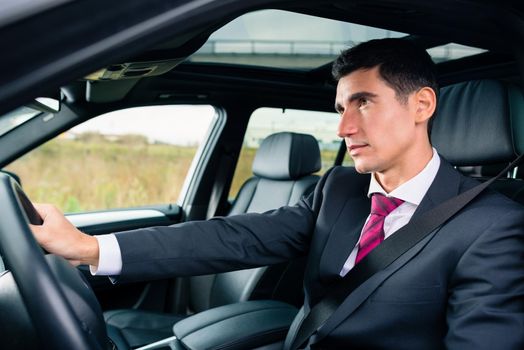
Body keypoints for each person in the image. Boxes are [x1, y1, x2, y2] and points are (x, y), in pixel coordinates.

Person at [31, 38, 524, 349]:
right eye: (339, 109)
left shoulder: (492, 224)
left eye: (364, 103)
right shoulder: (339, 189)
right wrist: (90, 247)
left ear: (421, 105)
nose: (345, 127)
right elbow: (234, 238)